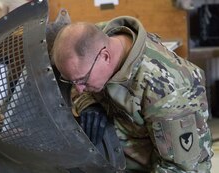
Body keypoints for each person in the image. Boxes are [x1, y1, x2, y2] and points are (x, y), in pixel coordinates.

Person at [52, 16, 213, 172]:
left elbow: (181, 168)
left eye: (83, 80)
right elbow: (76, 78)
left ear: (105, 57)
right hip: (121, 154)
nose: (79, 89)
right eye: (72, 82)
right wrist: (88, 103)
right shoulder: (96, 39)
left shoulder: (167, 90)